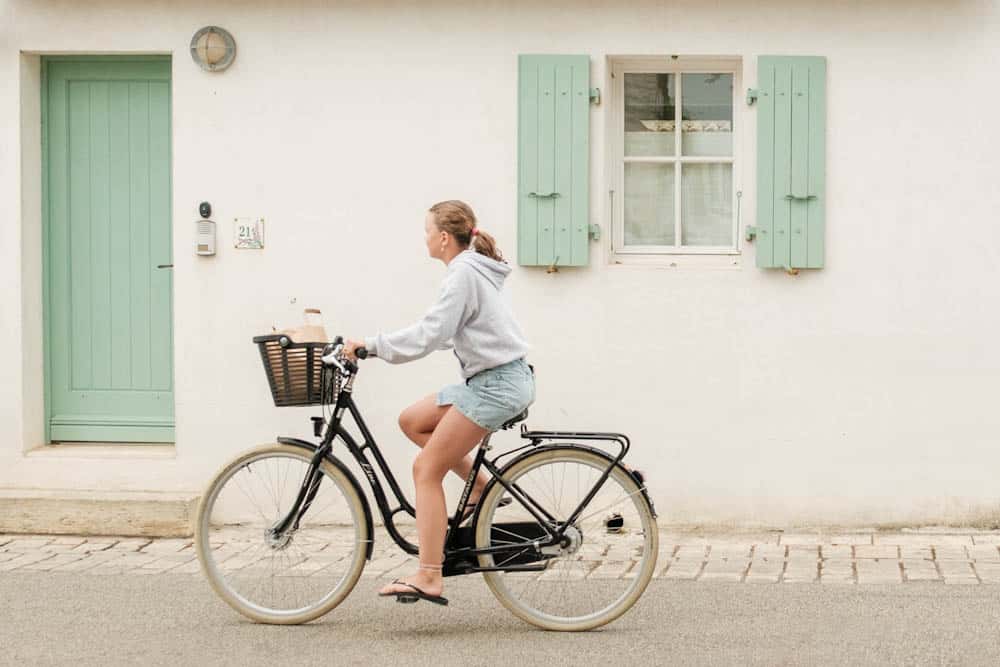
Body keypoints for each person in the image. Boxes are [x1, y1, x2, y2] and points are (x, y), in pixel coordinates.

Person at [343, 199, 535, 606]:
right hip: (493, 379)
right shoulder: (470, 270)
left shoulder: (463, 272)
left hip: (496, 385)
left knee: (425, 469)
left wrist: (372, 347)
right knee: (413, 421)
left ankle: (429, 575)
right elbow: (448, 331)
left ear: (444, 237)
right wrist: (383, 346)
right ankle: (481, 488)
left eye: (427, 231)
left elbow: (431, 333)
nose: (425, 238)